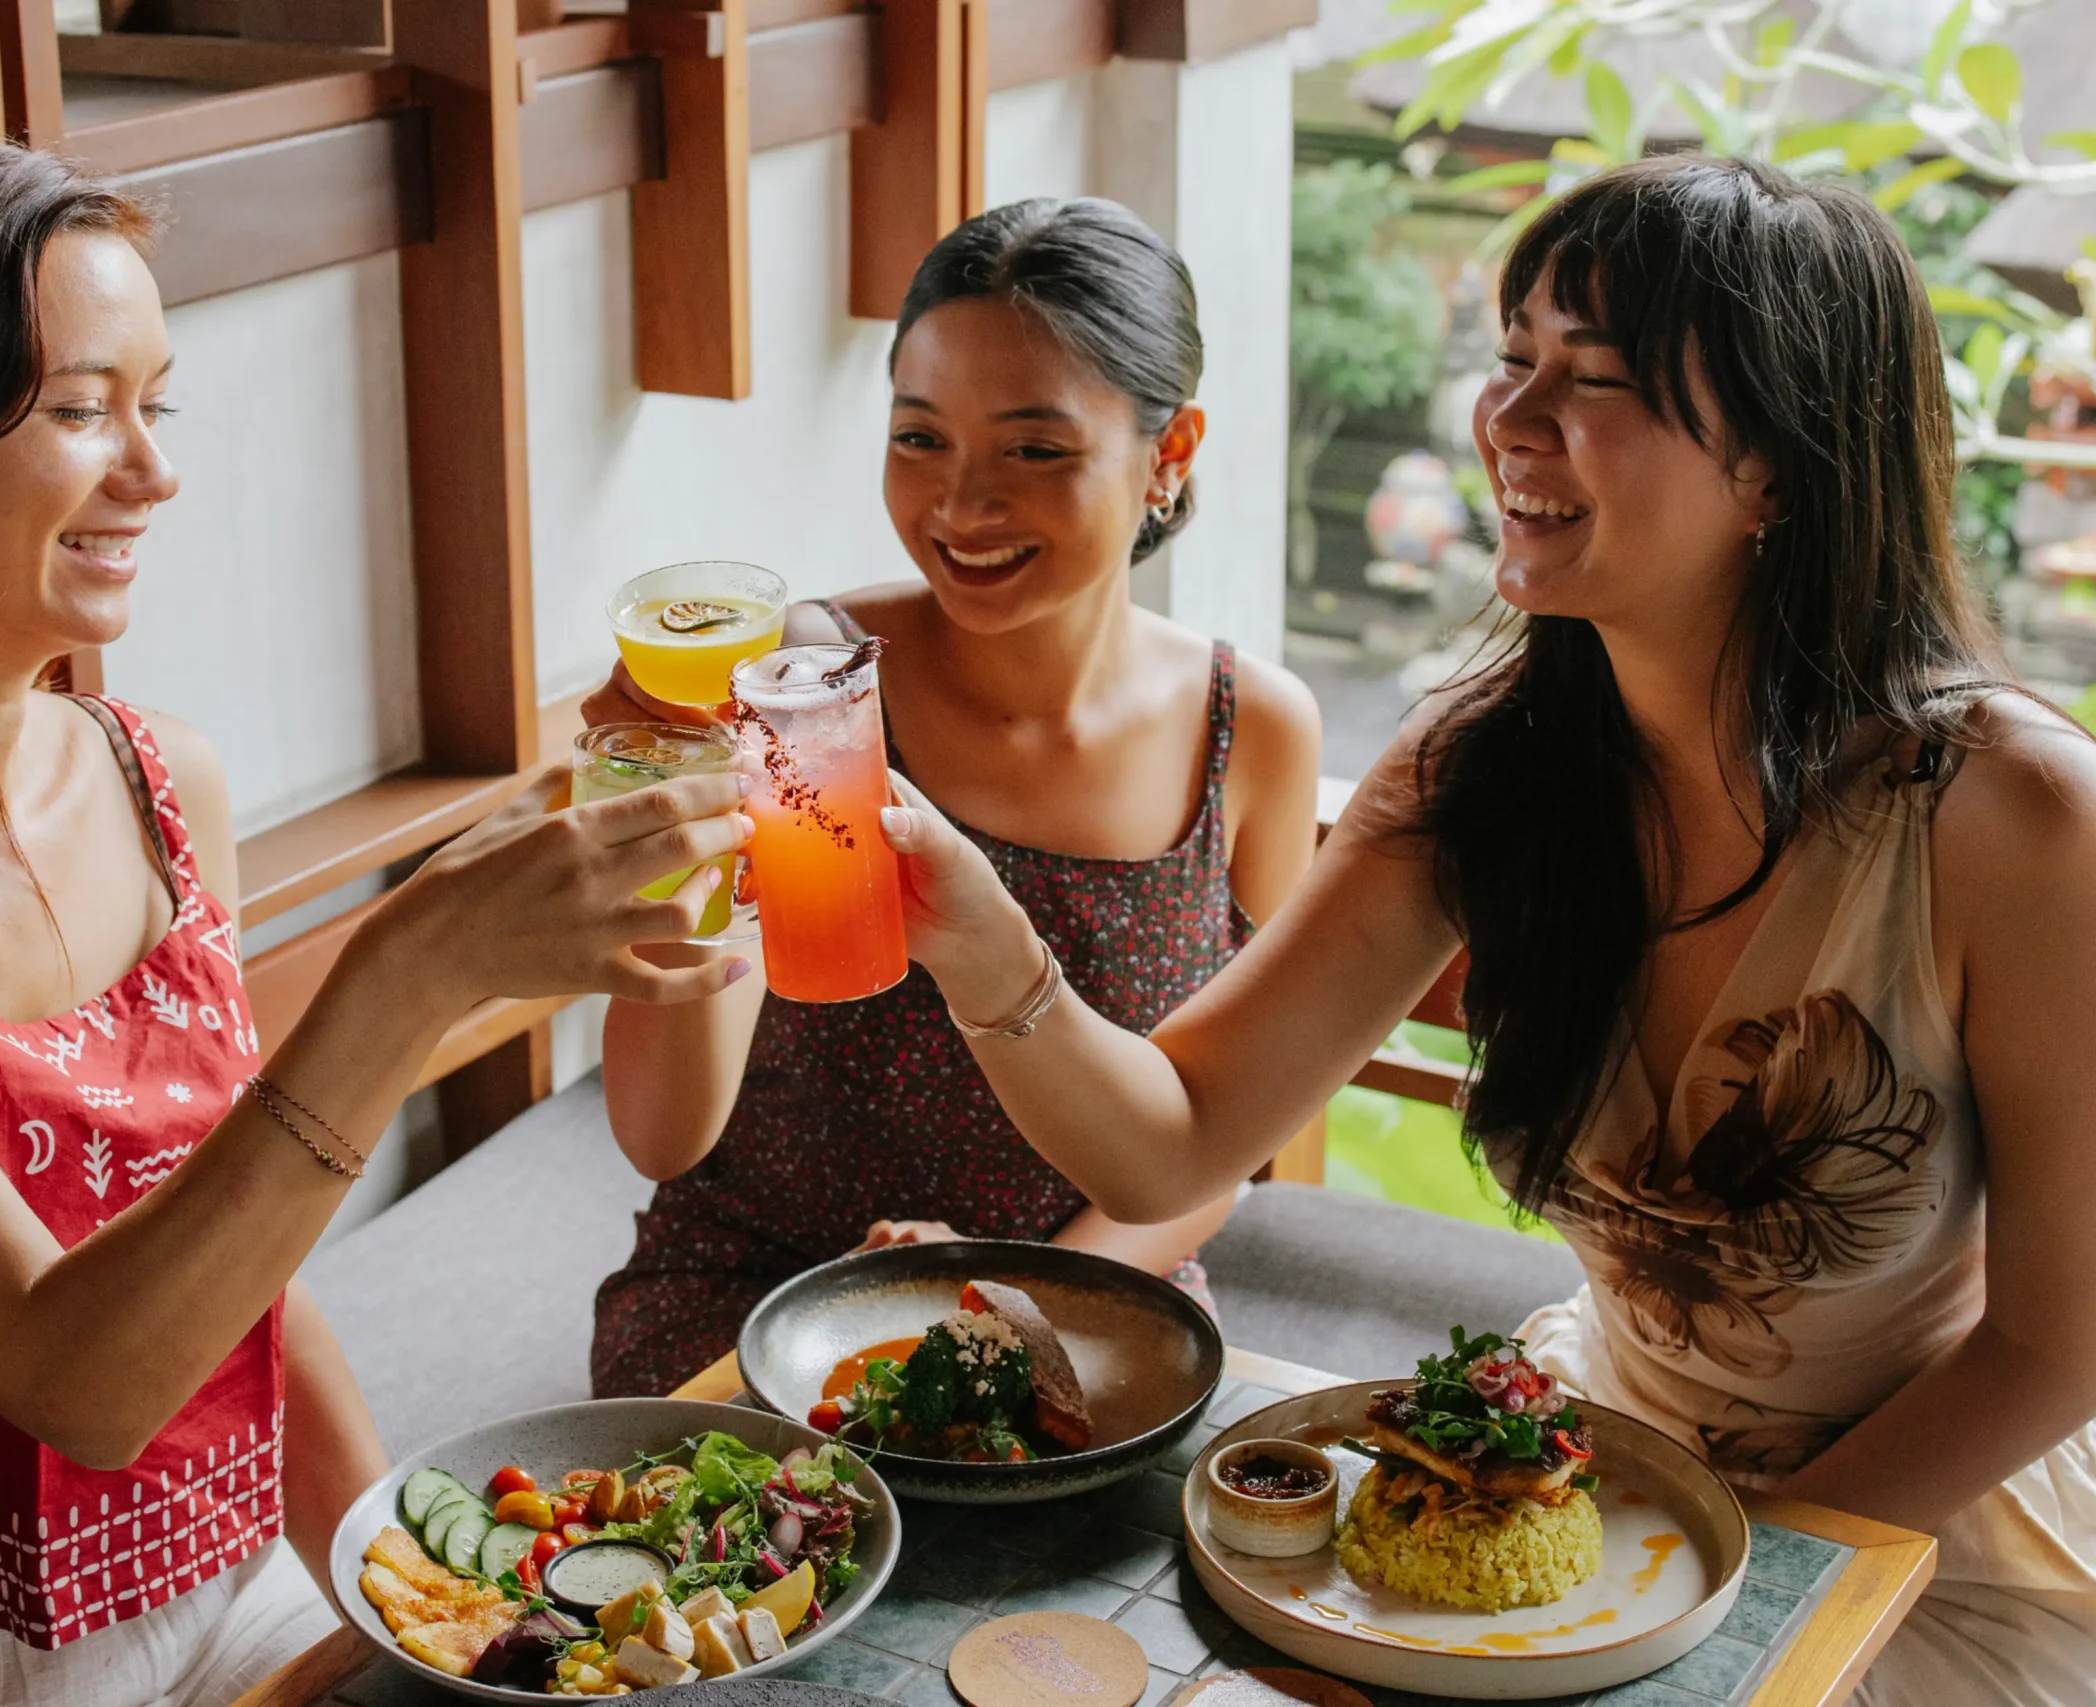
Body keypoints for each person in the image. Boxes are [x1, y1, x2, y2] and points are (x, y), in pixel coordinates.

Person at [0, 135, 750, 1707]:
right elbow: (79, 1377)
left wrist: (439, 1622)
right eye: (76, 408)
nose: (154, 469)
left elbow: (235, 1269)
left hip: (232, 1590)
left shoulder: (157, 776)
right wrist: (406, 973)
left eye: (153, 402)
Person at [877, 156, 2096, 1702]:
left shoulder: (2011, 817)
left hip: (1920, 1531)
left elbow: (2056, 1345)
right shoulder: (1483, 769)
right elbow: (1173, 1143)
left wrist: (1727, 1595)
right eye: (1514, 357)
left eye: (1593, 382)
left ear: (1777, 470)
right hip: (1600, 1478)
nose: (1508, 419)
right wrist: (987, 947)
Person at [582, 198, 1323, 1399]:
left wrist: (1001, 1305)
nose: (961, 507)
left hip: (1088, 1296)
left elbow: (1219, 1141)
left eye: (1035, 450)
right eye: (919, 438)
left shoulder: (1253, 733)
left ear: (1168, 453)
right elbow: (665, 1139)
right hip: (753, 1302)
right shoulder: (805, 695)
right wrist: (690, 840)